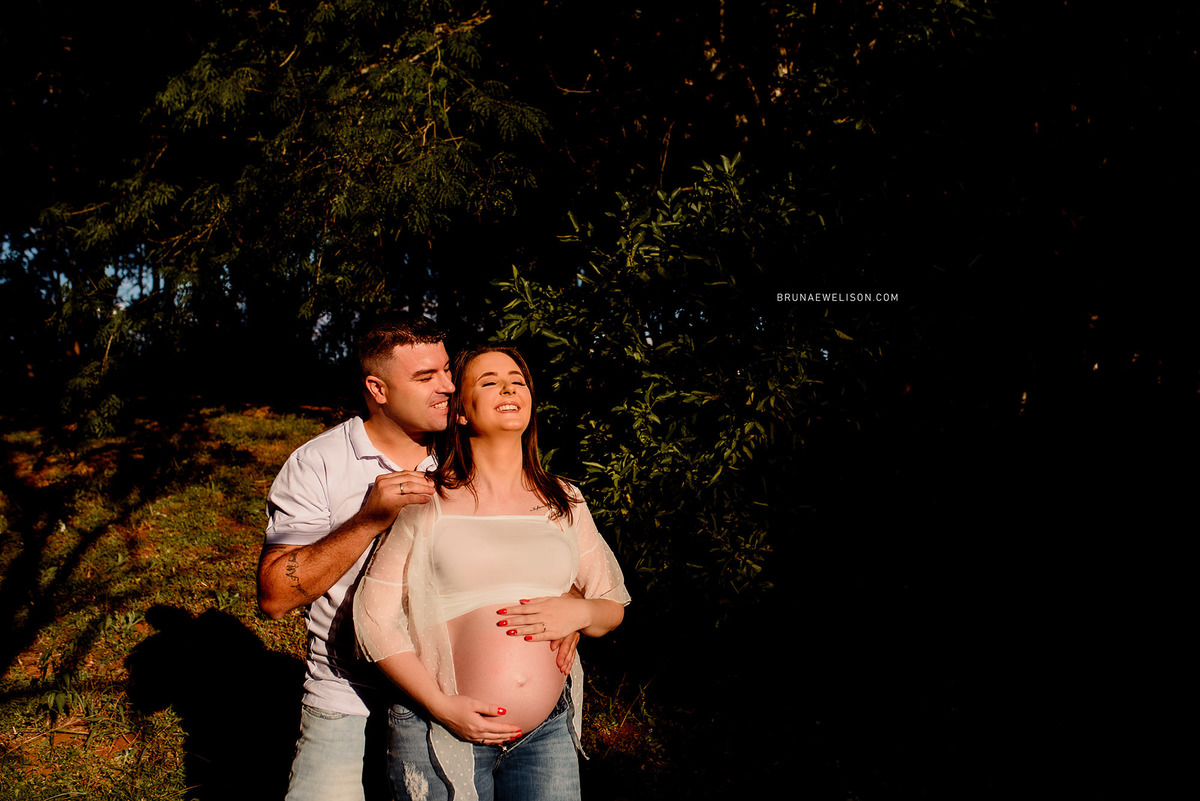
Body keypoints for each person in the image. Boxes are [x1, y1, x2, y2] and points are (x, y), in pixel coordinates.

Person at [258, 319, 580, 801]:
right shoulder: (319, 463)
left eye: (447, 370)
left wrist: (568, 609)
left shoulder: (467, 448)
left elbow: (537, 541)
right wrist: (368, 520)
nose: (448, 386)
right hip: (350, 692)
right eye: (426, 376)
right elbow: (274, 597)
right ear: (378, 389)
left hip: (452, 692)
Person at [354, 345, 630, 801]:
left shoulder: (565, 500)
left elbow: (612, 604)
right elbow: (372, 617)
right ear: (460, 412)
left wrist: (579, 613)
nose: (508, 388)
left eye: (517, 380)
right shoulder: (428, 500)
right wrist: (441, 705)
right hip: (439, 724)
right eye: (489, 382)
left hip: (546, 732)